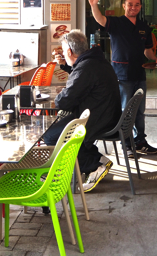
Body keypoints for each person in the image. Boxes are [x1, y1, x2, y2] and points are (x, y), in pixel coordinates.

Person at [43, 30, 121, 192]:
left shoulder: (86, 68)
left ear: (69, 52)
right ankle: (97, 158)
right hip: (106, 114)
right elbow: (83, 80)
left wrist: (57, 96)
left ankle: (93, 165)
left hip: (99, 118)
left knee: (50, 136)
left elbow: (64, 101)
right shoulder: (95, 60)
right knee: (61, 125)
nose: (63, 54)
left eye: (64, 51)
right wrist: (66, 66)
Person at [85, 0, 157, 156]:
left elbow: (147, 50)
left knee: (139, 110)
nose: (133, 7)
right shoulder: (116, 23)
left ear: (140, 7)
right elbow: (100, 19)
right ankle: (125, 143)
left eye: (137, 5)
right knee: (125, 109)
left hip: (140, 73)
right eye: (130, 4)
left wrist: (156, 60)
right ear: (124, 6)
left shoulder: (144, 27)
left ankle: (140, 141)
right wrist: (94, 5)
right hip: (122, 74)